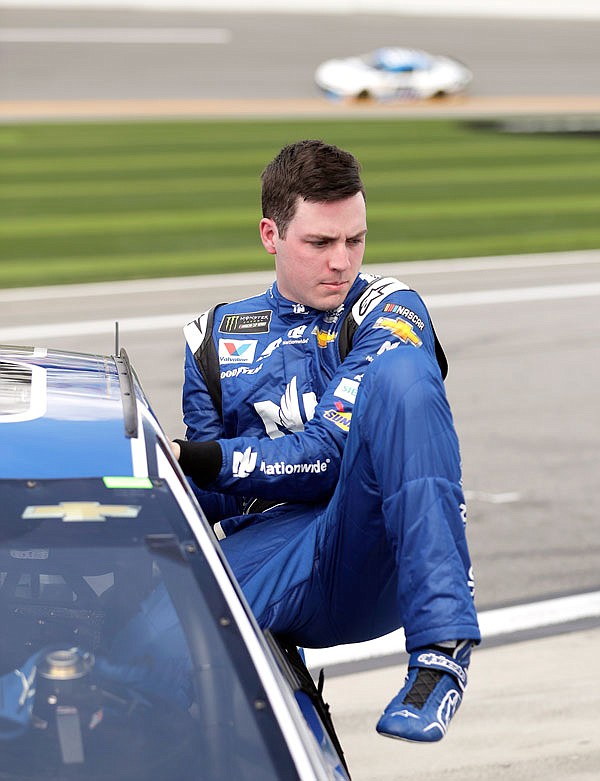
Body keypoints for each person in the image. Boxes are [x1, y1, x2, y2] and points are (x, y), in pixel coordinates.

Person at [171, 139, 480, 743]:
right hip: (264, 556)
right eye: (320, 243)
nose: (342, 261)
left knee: (403, 374)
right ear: (270, 235)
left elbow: (325, 456)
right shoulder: (212, 336)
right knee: (137, 654)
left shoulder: (389, 308)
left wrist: (205, 459)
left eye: (355, 240)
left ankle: (443, 649)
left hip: (361, 542)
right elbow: (206, 501)